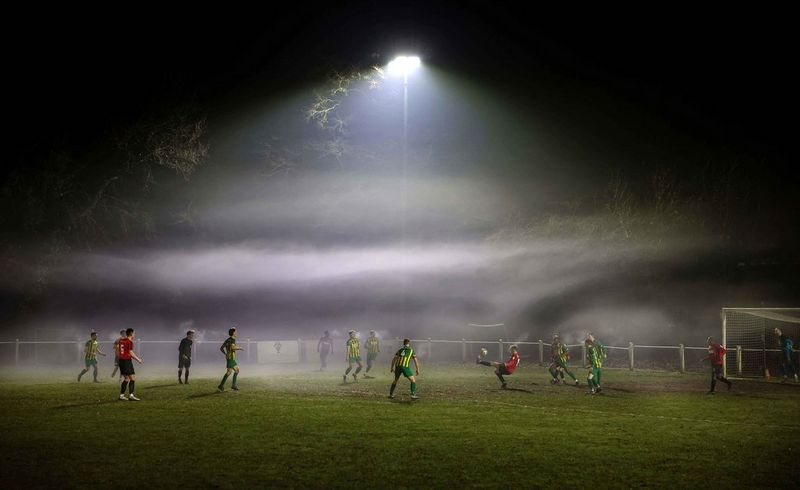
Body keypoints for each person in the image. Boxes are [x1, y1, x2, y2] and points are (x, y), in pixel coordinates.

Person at [117, 328, 143, 401]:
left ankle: (121, 396)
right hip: (126, 361)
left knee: (126, 378)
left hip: (121, 361)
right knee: (132, 378)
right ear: (131, 334)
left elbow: (120, 351)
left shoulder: (121, 341)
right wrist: (138, 360)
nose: (135, 334)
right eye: (134, 333)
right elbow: (131, 352)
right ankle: (131, 396)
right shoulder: (129, 342)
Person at [218, 327, 244, 392]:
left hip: (229, 358)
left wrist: (225, 354)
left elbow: (221, 348)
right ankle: (232, 385)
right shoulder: (232, 340)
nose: (236, 333)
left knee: (231, 372)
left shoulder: (227, 340)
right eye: (235, 332)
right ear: (233, 333)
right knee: (235, 371)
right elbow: (233, 348)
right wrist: (240, 348)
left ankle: (222, 385)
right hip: (231, 358)